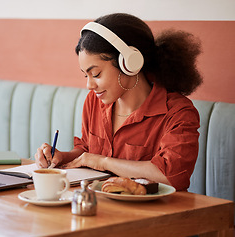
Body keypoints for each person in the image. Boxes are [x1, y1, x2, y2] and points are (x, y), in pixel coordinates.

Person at [35, 13, 203, 191]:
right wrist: (63, 157)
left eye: (96, 74)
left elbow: (170, 176)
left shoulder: (178, 113)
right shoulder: (94, 101)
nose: (89, 85)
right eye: (86, 75)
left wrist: (103, 162)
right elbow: (86, 149)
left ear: (129, 63)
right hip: (101, 206)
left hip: (154, 214)